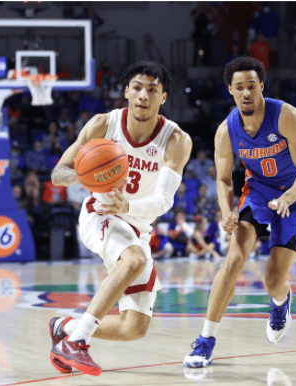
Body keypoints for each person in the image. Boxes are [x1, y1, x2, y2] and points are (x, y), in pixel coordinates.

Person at [47, 61, 192, 376]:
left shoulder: (176, 140)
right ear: (126, 91)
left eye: (152, 90)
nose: (143, 95)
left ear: (163, 97)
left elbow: (165, 200)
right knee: (134, 260)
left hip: (135, 224)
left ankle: (67, 327)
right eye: (137, 87)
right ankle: (76, 344)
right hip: (98, 214)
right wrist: (86, 174)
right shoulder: (103, 124)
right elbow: (59, 173)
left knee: (133, 327)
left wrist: (126, 207)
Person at [184, 56, 296, 368]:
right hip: (257, 193)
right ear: (230, 89)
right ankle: (205, 340)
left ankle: (281, 301)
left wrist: (287, 197)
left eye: (252, 86)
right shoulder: (225, 131)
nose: (246, 93)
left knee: (273, 281)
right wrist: (226, 210)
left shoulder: (286, 116)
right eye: (239, 87)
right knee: (233, 259)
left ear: (261, 87)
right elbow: (222, 178)